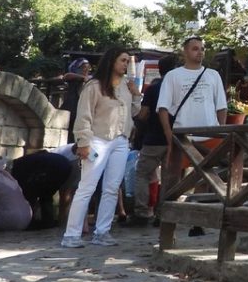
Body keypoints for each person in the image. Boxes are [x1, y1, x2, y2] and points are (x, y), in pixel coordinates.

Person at [60, 46, 142, 248]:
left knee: (112, 187)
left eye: (126, 61)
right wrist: (83, 142)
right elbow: (84, 115)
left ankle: (102, 231)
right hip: (98, 139)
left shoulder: (125, 85)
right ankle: (71, 234)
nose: (125, 65)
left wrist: (136, 94)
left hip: (121, 140)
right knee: (87, 186)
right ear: (112, 61)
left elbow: (133, 113)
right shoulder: (94, 86)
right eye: (122, 60)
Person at [156, 37, 227, 236]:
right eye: (195, 49)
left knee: (204, 178)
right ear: (185, 51)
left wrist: (221, 130)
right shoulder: (173, 76)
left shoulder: (213, 75)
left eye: (202, 49)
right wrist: (169, 134)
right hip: (182, 134)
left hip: (209, 134)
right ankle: (169, 216)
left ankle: (198, 219)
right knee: (174, 177)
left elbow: (221, 105)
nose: (200, 52)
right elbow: (162, 108)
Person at [126, 53, 178, 227]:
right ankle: (163, 214)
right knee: (169, 177)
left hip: (154, 139)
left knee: (142, 173)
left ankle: (141, 212)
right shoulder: (179, 87)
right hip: (176, 138)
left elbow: (143, 114)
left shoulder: (154, 89)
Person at [9, 149, 73, 229]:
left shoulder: (18, 167)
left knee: (42, 195)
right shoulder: (26, 161)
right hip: (64, 167)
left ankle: (31, 221)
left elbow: (25, 186)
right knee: (46, 195)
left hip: (56, 168)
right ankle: (48, 222)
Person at [61, 58, 91, 143]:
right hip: (71, 108)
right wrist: (82, 78)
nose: (86, 69)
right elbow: (66, 76)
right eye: (83, 67)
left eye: (88, 67)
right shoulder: (73, 77)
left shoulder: (90, 80)